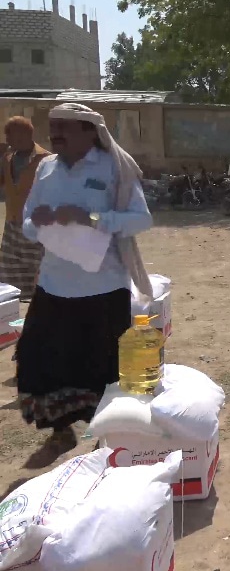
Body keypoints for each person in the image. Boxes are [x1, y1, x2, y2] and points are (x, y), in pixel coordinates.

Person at [17, 103, 153, 465]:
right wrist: (38, 221)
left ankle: (106, 441)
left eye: (65, 126)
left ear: (90, 131)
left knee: (103, 369)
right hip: (53, 283)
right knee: (37, 361)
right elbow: (27, 224)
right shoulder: (46, 168)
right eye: (53, 126)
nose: (55, 133)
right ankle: (61, 433)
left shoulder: (115, 167)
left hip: (104, 286)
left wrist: (90, 217)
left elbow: (140, 219)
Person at [0, 117, 50, 296]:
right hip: (12, 227)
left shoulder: (46, 159)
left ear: (24, 135)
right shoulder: (7, 158)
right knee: (9, 278)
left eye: (10, 135)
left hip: (35, 226)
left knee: (37, 275)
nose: (7, 139)